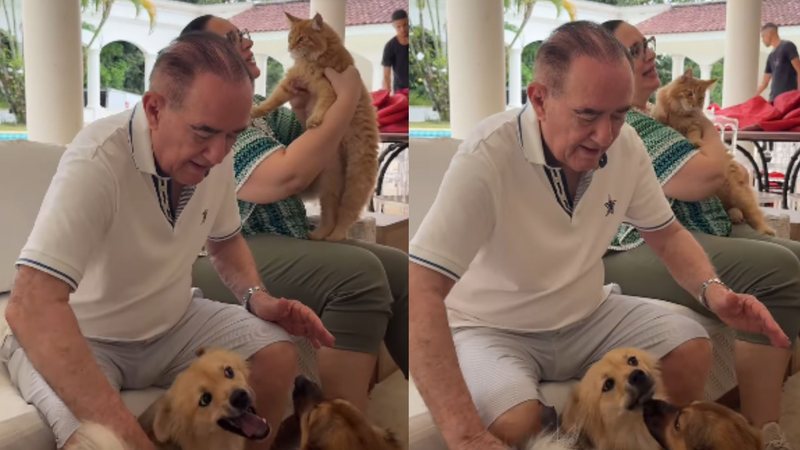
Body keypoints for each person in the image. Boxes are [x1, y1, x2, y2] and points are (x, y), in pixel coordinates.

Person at [409, 21, 789, 450]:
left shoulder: (625, 145)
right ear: (539, 99)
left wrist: (715, 292)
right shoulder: (488, 155)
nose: (606, 135)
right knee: (515, 423)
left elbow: (667, 235)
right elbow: (423, 288)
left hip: (588, 312)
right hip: (491, 327)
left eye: (619, 113)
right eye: (588, 115)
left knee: (690, 347)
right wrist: (466, 435)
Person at [1, 33, 334, 450]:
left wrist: (257, 296)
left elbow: (225, 242)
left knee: (278, 355)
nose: (217, 154)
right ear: (154, 109)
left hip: (173, 321)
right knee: (101, 444)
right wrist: (132, 439)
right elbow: (30, 305)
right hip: (86, 335)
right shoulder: (98, 159)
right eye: (203, 133)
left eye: (232, 135)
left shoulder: (219, 150)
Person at [182, 16, 408, 413]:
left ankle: (439, 403)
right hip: (218, 257)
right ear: (204, 60)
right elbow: (286, 176)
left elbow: (316, 159)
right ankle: (338, 431)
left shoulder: (259, 111)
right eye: (236, 39)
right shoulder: (217, 117)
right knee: (358, 274)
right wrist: (349, 97)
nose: (248, 44)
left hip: (270, 238)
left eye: (245, 35)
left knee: (401, 268)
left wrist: (309, 106)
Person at [602, 19, 799, 450]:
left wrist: (703, 134)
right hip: (630, 244)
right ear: (607, 64)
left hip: (682, 231)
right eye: (635, 51)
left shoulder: (648, 119)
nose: (649, 54)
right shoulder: (627, 124)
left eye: (647, 44)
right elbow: (703, 178)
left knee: (794, 256)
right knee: (779, 268)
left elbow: (709, 174)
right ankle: (762, 432)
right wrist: (706, 125)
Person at [756, 22, 800, 102]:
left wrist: (798, 94)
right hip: (774, 99)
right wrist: (752, 97)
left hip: (789, 99)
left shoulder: (788, 46)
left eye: (763, 36)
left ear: (769, 34)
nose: (762, 40)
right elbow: (764, 83)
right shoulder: (770, 56)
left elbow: (799, 70)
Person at [382, 9, 409, 93]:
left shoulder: (418, 40)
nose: (402, 29)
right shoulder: (390, 46)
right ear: (394, 26)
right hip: (400, 91)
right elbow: (386, 75)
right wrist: (387, 95)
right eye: (398, 26)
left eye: (405, 25)